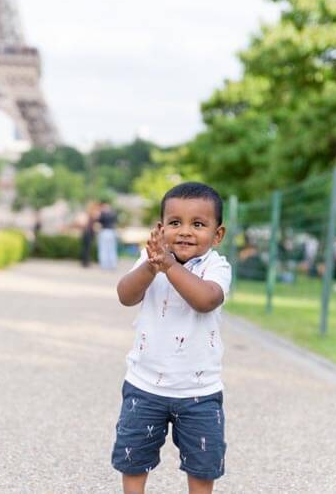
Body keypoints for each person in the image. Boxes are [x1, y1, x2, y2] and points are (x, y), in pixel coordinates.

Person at [111, 182, 232, 494]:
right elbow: (126, 295)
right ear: (160, 228)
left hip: (199, 391)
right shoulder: (150, 260)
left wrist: (169, 267)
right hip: (144, 385)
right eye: (175, 223)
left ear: (217, 235)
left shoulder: (216, 266)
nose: (185, 232)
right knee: (133, 459)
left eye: (198, 224)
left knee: (203, 465)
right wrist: (152, 267)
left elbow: (206, 300)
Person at [97, 201, 119, 270]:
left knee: (104, 249)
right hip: (112, 232)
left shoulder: (103, 214)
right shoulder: (113, 214)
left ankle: (104, 265)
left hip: (104, 231)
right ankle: (113, 264)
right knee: (112, 249)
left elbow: (99, 222)